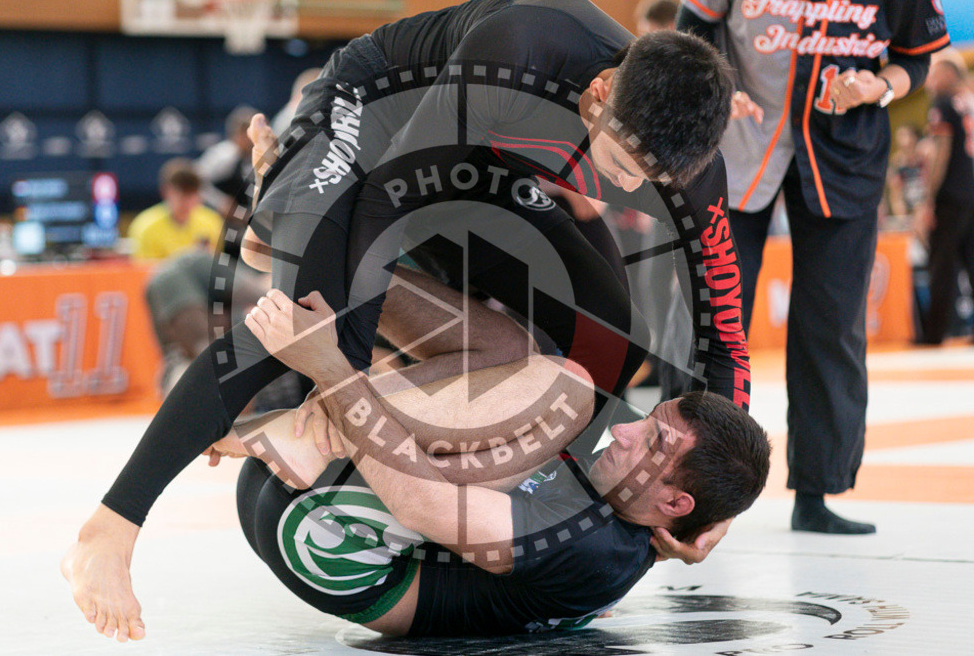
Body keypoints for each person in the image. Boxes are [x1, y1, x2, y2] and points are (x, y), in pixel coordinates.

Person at [93, 0, 751, 608]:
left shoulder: (694, 177)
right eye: (621, 172)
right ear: (601, 93)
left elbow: (724, 333)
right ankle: (112, 526)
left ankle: (285, 224)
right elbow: (390, 196)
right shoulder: (523, 44)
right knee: (304, 322)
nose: (630, 190)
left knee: (611, 334)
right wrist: (335, 378)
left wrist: (717, 497)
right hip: (372, 118)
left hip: (480, 162)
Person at [63, 265, 770, 641]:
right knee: (541, 372)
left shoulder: (594, 548)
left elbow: (424, 504)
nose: (627, 431)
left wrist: (333, 374)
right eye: (647, 422)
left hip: (323, 534)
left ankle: (317, 418)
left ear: (674, 501)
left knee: (563, 390)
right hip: (334, 487)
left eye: (651, 441)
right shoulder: (651, 500)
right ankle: (335, 273)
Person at [678, 0, 949, 535]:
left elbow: (915, 58)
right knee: (711, 319)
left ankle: (816, 492)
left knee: (832, 322)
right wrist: (718, 89)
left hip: (846, 157)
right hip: (740, 145)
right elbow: (693, 27)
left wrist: (881, 87)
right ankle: (688, 484)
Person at [919, 49, 974, 345]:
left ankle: (935, 334)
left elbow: (941, 153)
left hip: (950, 194)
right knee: (971, 260)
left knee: (941, 263)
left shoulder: (942, 103)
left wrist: (928, 198)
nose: (929, 77)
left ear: (949, 73)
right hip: (971, 191)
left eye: (935, 70)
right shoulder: (968, 102)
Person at [128, 159, 225, 260]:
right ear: (165, 192)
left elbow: (212, 267)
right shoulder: (145, 226)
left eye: (192, 195)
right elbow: (144, 272)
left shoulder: (212, 222)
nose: (187, 202)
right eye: (181, 195)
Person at [196, 106, 257, 216]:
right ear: (235, 134)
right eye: (245, 134)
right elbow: (195, 183)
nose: (249, 140)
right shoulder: (222, 155)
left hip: (244, 217)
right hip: (216, 217)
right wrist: (220, 202)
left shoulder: (259, 157)